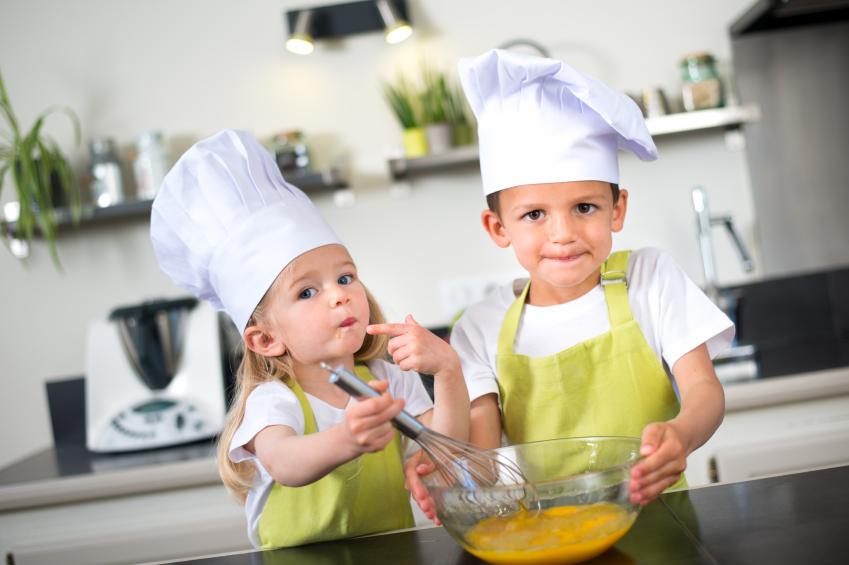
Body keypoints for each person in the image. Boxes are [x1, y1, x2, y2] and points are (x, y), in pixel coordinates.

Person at [406, 50, 732, 523]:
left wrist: (680, 433)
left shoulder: (651, 278)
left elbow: (704, 390)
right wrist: (449, 478)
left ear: (616, 208)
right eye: (534, 214)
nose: (563, 234)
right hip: (546, 538)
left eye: (584, 207)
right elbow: (485, 459)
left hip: (665, 523)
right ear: (498, 228)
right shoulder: (479, 328)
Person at [151, 130, 469, 548]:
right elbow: (285, 462)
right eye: (307, 291)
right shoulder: (275, 400)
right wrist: (346, 438)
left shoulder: (388, 379)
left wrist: (448, 370)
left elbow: (445, 448)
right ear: (266, 339)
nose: (339, 294)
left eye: (344, 277)